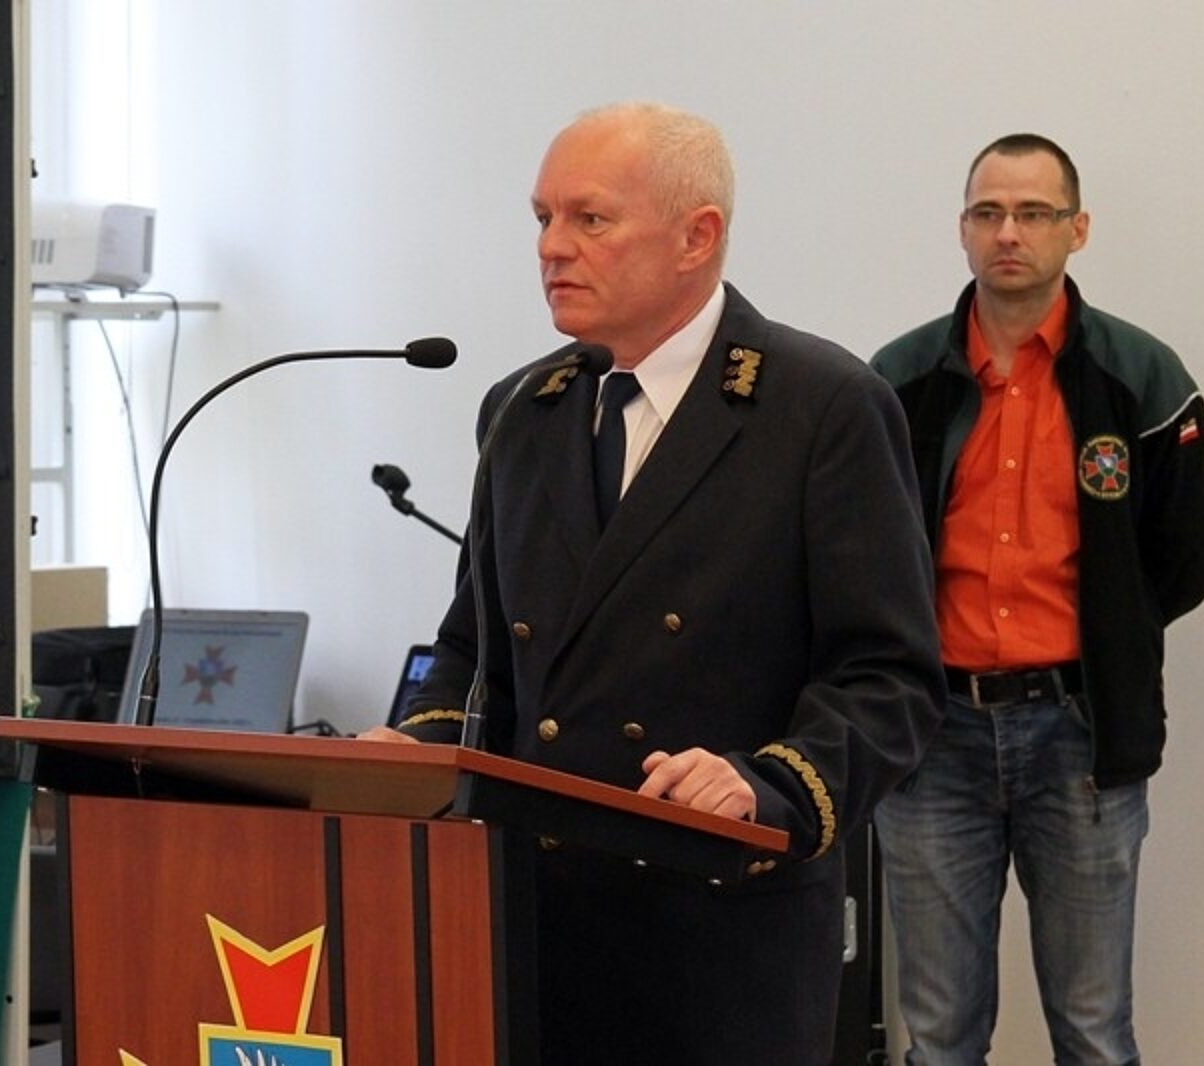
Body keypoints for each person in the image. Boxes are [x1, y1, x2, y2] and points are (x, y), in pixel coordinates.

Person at [360, 102, 944, 1064]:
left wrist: (768, 783)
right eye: (542, 217)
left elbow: (889, 678)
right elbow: (474, 646)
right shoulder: (523, 408)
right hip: (533, 927)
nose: (552, 247)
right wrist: (416, 746)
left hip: (717, 937)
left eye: (589, 219)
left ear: (696, 237)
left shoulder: (820, 407)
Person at [869, 134, 1204, 1065]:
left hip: (1082, 734)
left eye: (1033, 213)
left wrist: (1108, 637)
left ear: (1078, 228)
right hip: (931, 740)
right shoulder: (895, 382)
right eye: (988, 213)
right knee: (938, 1037)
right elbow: (858, 558)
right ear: (963, 229)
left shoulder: (1144, 378)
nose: (1008, 233)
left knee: (1094, 1032)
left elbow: (1182, 561)